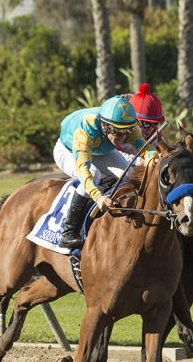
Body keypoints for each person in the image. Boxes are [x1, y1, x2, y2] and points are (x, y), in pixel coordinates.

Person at [53, 95, 153, 249]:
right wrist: (98, 197)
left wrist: (155, 157)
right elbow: (83, 170)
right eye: (118, 133)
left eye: (127, 132)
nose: (123, 138)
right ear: (105, 126)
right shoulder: (86, 128)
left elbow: (145, 148)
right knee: (94, 174)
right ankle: (68, 231)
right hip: (68, 150)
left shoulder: (127, 125)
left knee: (128, 174)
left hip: (99, 150)